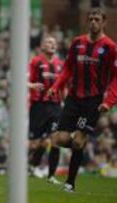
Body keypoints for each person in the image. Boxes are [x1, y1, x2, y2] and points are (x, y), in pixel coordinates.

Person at [48, 8, 117, 192]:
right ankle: (81, 146)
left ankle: (70, 183)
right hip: (73, 98)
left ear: (104, 22)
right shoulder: (77, 42)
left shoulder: (110, 47)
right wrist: (55, 87)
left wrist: (109, 102)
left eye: (97, 19)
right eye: (91, 19)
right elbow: (67, 69)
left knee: (78, 141)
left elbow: (116, 77)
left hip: (93, 101)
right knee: (61, 139)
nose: (93, 22)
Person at [28, 36, 64, 184]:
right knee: (38, 143)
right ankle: (32, 166)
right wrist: (32, 86)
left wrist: (65, 103)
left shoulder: (60, 64)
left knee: (55, 139)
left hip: (55, 106)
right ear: (42, 46)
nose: (52, 44)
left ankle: (51, 176)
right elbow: (23, 78)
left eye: (54, 42)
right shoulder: (35, 61)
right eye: (49, 42)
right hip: (39, 106)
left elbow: (64, 85)